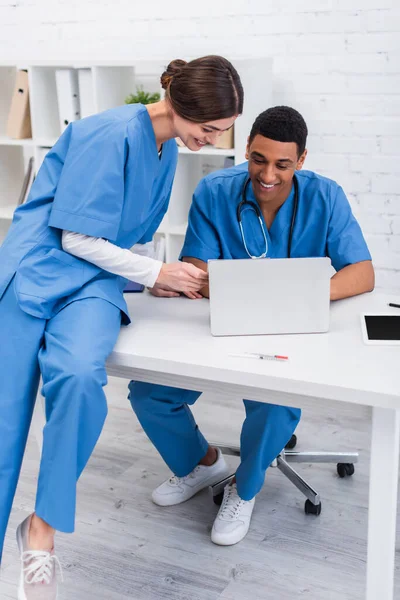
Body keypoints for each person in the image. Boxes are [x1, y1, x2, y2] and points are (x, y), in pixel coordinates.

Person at [0, 55, 243, 598]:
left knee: (81, 379)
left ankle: (40, 532)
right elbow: (75, 238)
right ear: (181, 107)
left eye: (222, 131)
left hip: (91, 284)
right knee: (4, 422)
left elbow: (112, 237)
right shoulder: (105, 134)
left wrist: (152, 276)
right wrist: (156, 270)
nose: (212, 140)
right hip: (36, 267)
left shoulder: (167, 150)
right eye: (209, 129)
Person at [129, 105, 374, 547]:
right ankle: (201, 464)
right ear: (246, 149)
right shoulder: (215, 191)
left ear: (301, 160)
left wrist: (301, 296)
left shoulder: (325, 196)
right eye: (258, 159)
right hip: (223, 320)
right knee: (149, 392)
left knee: (274, 401)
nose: (267, 174)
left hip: (291, 329)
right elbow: (197, 263)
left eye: (283, 164)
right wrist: (181, 279)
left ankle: (244, 489)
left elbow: (361, 272)